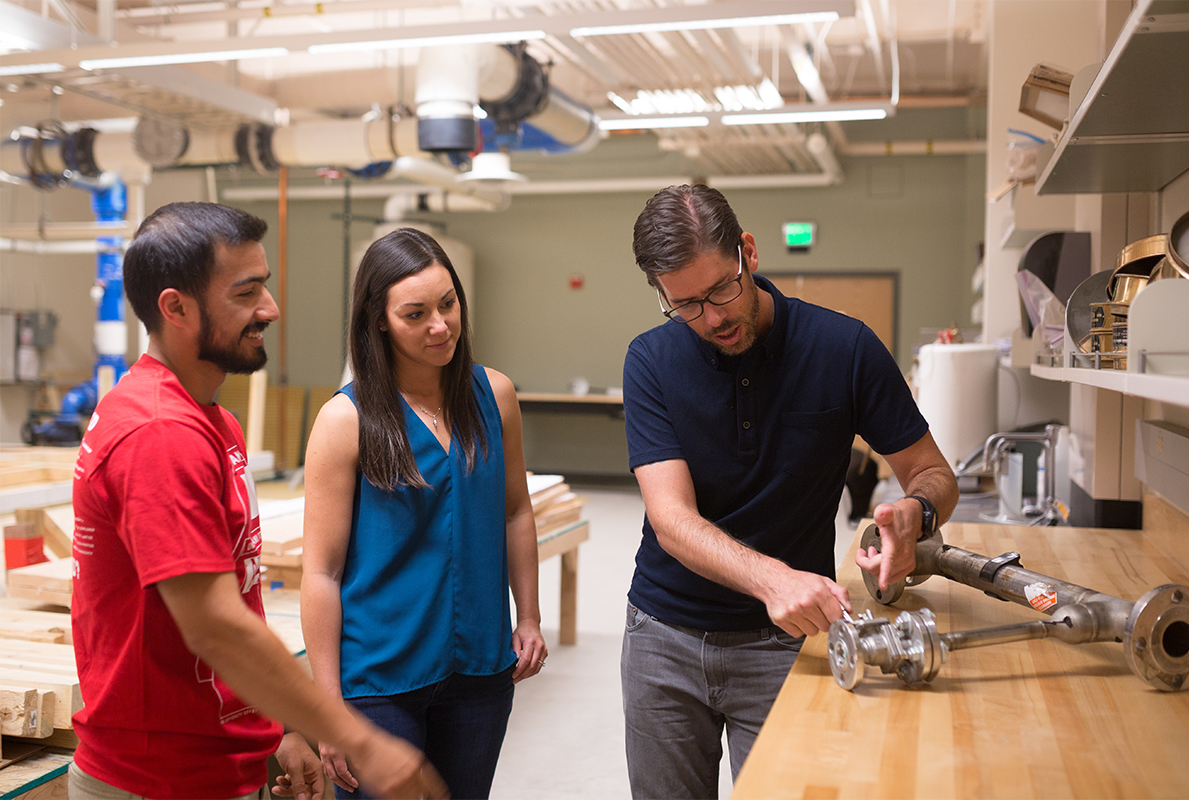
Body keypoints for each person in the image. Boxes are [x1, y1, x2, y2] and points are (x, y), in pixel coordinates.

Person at [70, 202, 448, 800]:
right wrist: (365, 741)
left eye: (265, 287)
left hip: (213, 763)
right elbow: (216, 627)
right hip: (159, 779)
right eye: (246, 294)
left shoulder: (211, 421)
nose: (270, 309)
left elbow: (238, 600)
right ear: (176, 307)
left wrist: (274, 729)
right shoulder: (159, 432)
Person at [620, 185, 959, 798]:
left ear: (748, 252)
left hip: (787, 643)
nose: (713, 318)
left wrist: (916, 512)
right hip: (663, 641)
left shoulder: (845, 348)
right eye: (686, 305)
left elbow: (932, 472)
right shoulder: (650, 361)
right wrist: (774, 578)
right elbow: (671, 519)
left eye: (722, 288)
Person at [302, 227, 547, 799]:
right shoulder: (346, 420)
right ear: (380, 320)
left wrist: (529, 616)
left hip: (480, 669)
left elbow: (515, 510)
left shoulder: (496, 396)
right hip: (377, 679)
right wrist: (326, 706)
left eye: (448, 304)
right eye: (416, 314)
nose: (441, 326)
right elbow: (321, 571)